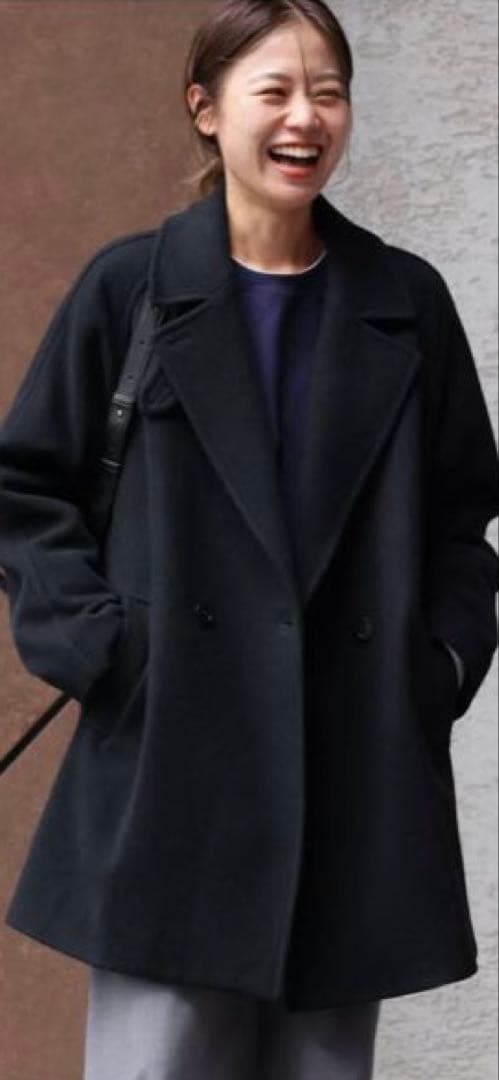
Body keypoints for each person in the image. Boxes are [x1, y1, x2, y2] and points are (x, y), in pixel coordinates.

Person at [0, 0, 497, 1077]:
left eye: (328, 92)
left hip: (351, 775)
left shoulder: (404, 302)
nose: (304, 117)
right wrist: (98, 647)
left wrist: (439, 664)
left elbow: (464, 514)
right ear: (206, 108)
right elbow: (25, 485)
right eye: (274, 90)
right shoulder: (131, 290)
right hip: (173, 769)